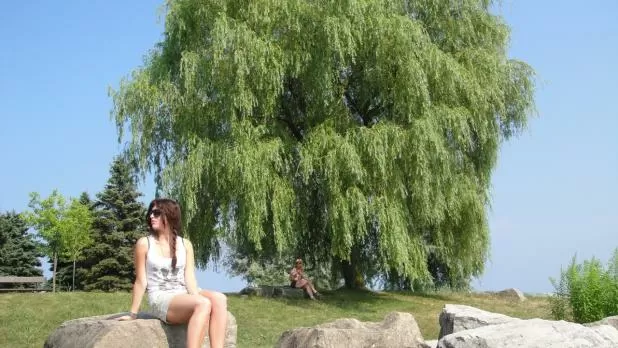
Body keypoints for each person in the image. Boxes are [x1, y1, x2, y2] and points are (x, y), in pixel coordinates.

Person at [116, 198, 227, 348]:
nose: (151, 216)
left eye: (156, 213)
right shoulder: (144, 243)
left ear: (169, 215)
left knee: (219, 299)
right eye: (150, 212)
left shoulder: (185, 244)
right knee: (203, 304)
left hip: (183, 293)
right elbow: (141, 281)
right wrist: (133, 313)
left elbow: (189, 277)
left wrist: (194, 297)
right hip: (161, 297)